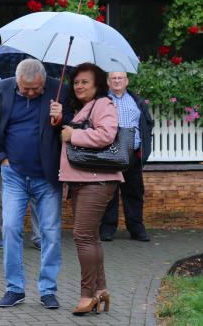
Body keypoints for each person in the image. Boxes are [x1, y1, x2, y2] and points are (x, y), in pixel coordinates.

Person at [0, 59, 70, 309]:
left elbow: (72, 124)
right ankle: (14, 288)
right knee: (10, 228)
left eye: (36, 89)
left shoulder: (58, 88)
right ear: (17, 81)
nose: (31, 93)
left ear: (44, 82)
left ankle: (48, 290)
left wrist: (61, 118)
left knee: (51, 233)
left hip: (47, 175)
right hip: (14, 174)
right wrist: (1, 157)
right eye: (26, 89)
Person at [59, 63, 123, 315]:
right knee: (91, 238)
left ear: (97, 84)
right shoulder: (85, 108)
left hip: (96, 180)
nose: (79, 86)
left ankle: (87, 295)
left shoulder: (103, 105)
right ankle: (100, 291)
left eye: (85, 82)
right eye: (76, 82)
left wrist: (73, 135)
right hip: (83, 181)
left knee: (82, 237)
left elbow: (107, 135)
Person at [99, 71, 154, 242]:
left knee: (134, 193)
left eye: (120, 78)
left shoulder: (136, 100)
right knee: (109, 193)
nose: (117, 81)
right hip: (110, 154)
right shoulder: (102, 101)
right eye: (113, 78)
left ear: (126, 81)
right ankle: (107, 229)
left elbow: (148, 122)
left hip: (133, 154)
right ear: (108, 81)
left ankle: (137, 229)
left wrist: (142, 144)